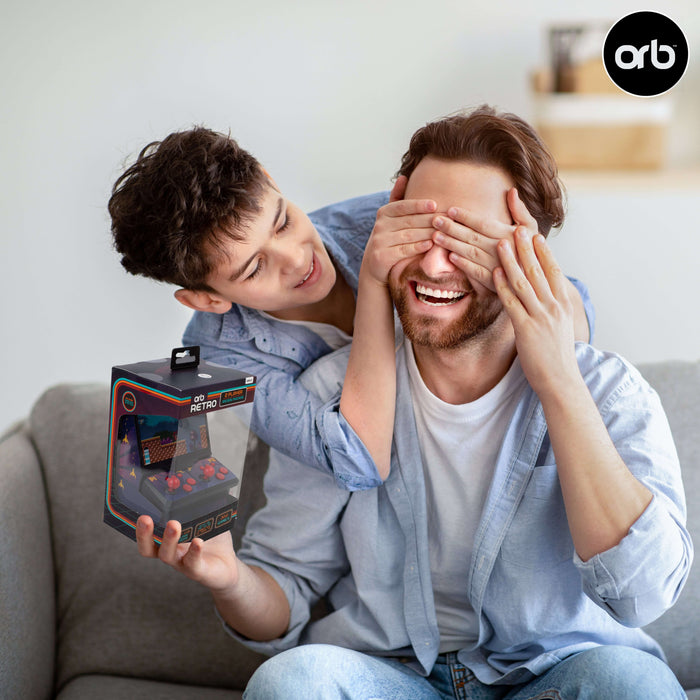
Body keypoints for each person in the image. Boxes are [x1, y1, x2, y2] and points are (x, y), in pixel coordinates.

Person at [136, 106, 691, 698]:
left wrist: (555, 372)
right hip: (394, 676)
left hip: (555, 673)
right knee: (290, 683)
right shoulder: (317, 395)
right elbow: (326, 514)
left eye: (466, 239)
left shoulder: (608, 389)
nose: (433, 261)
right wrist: (228, 579)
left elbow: (643, 597)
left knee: (634, 682)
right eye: (422, 234)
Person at [109, 125, 593, 492]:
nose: (298, 259)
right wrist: (375, 282)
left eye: (282, 222)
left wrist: (525, 259)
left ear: (272, 182)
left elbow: (577, 322)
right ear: (208, 299)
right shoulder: (217, 355)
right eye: (254, 268)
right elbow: (360, 463)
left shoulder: (383, 218)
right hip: (313, 511)